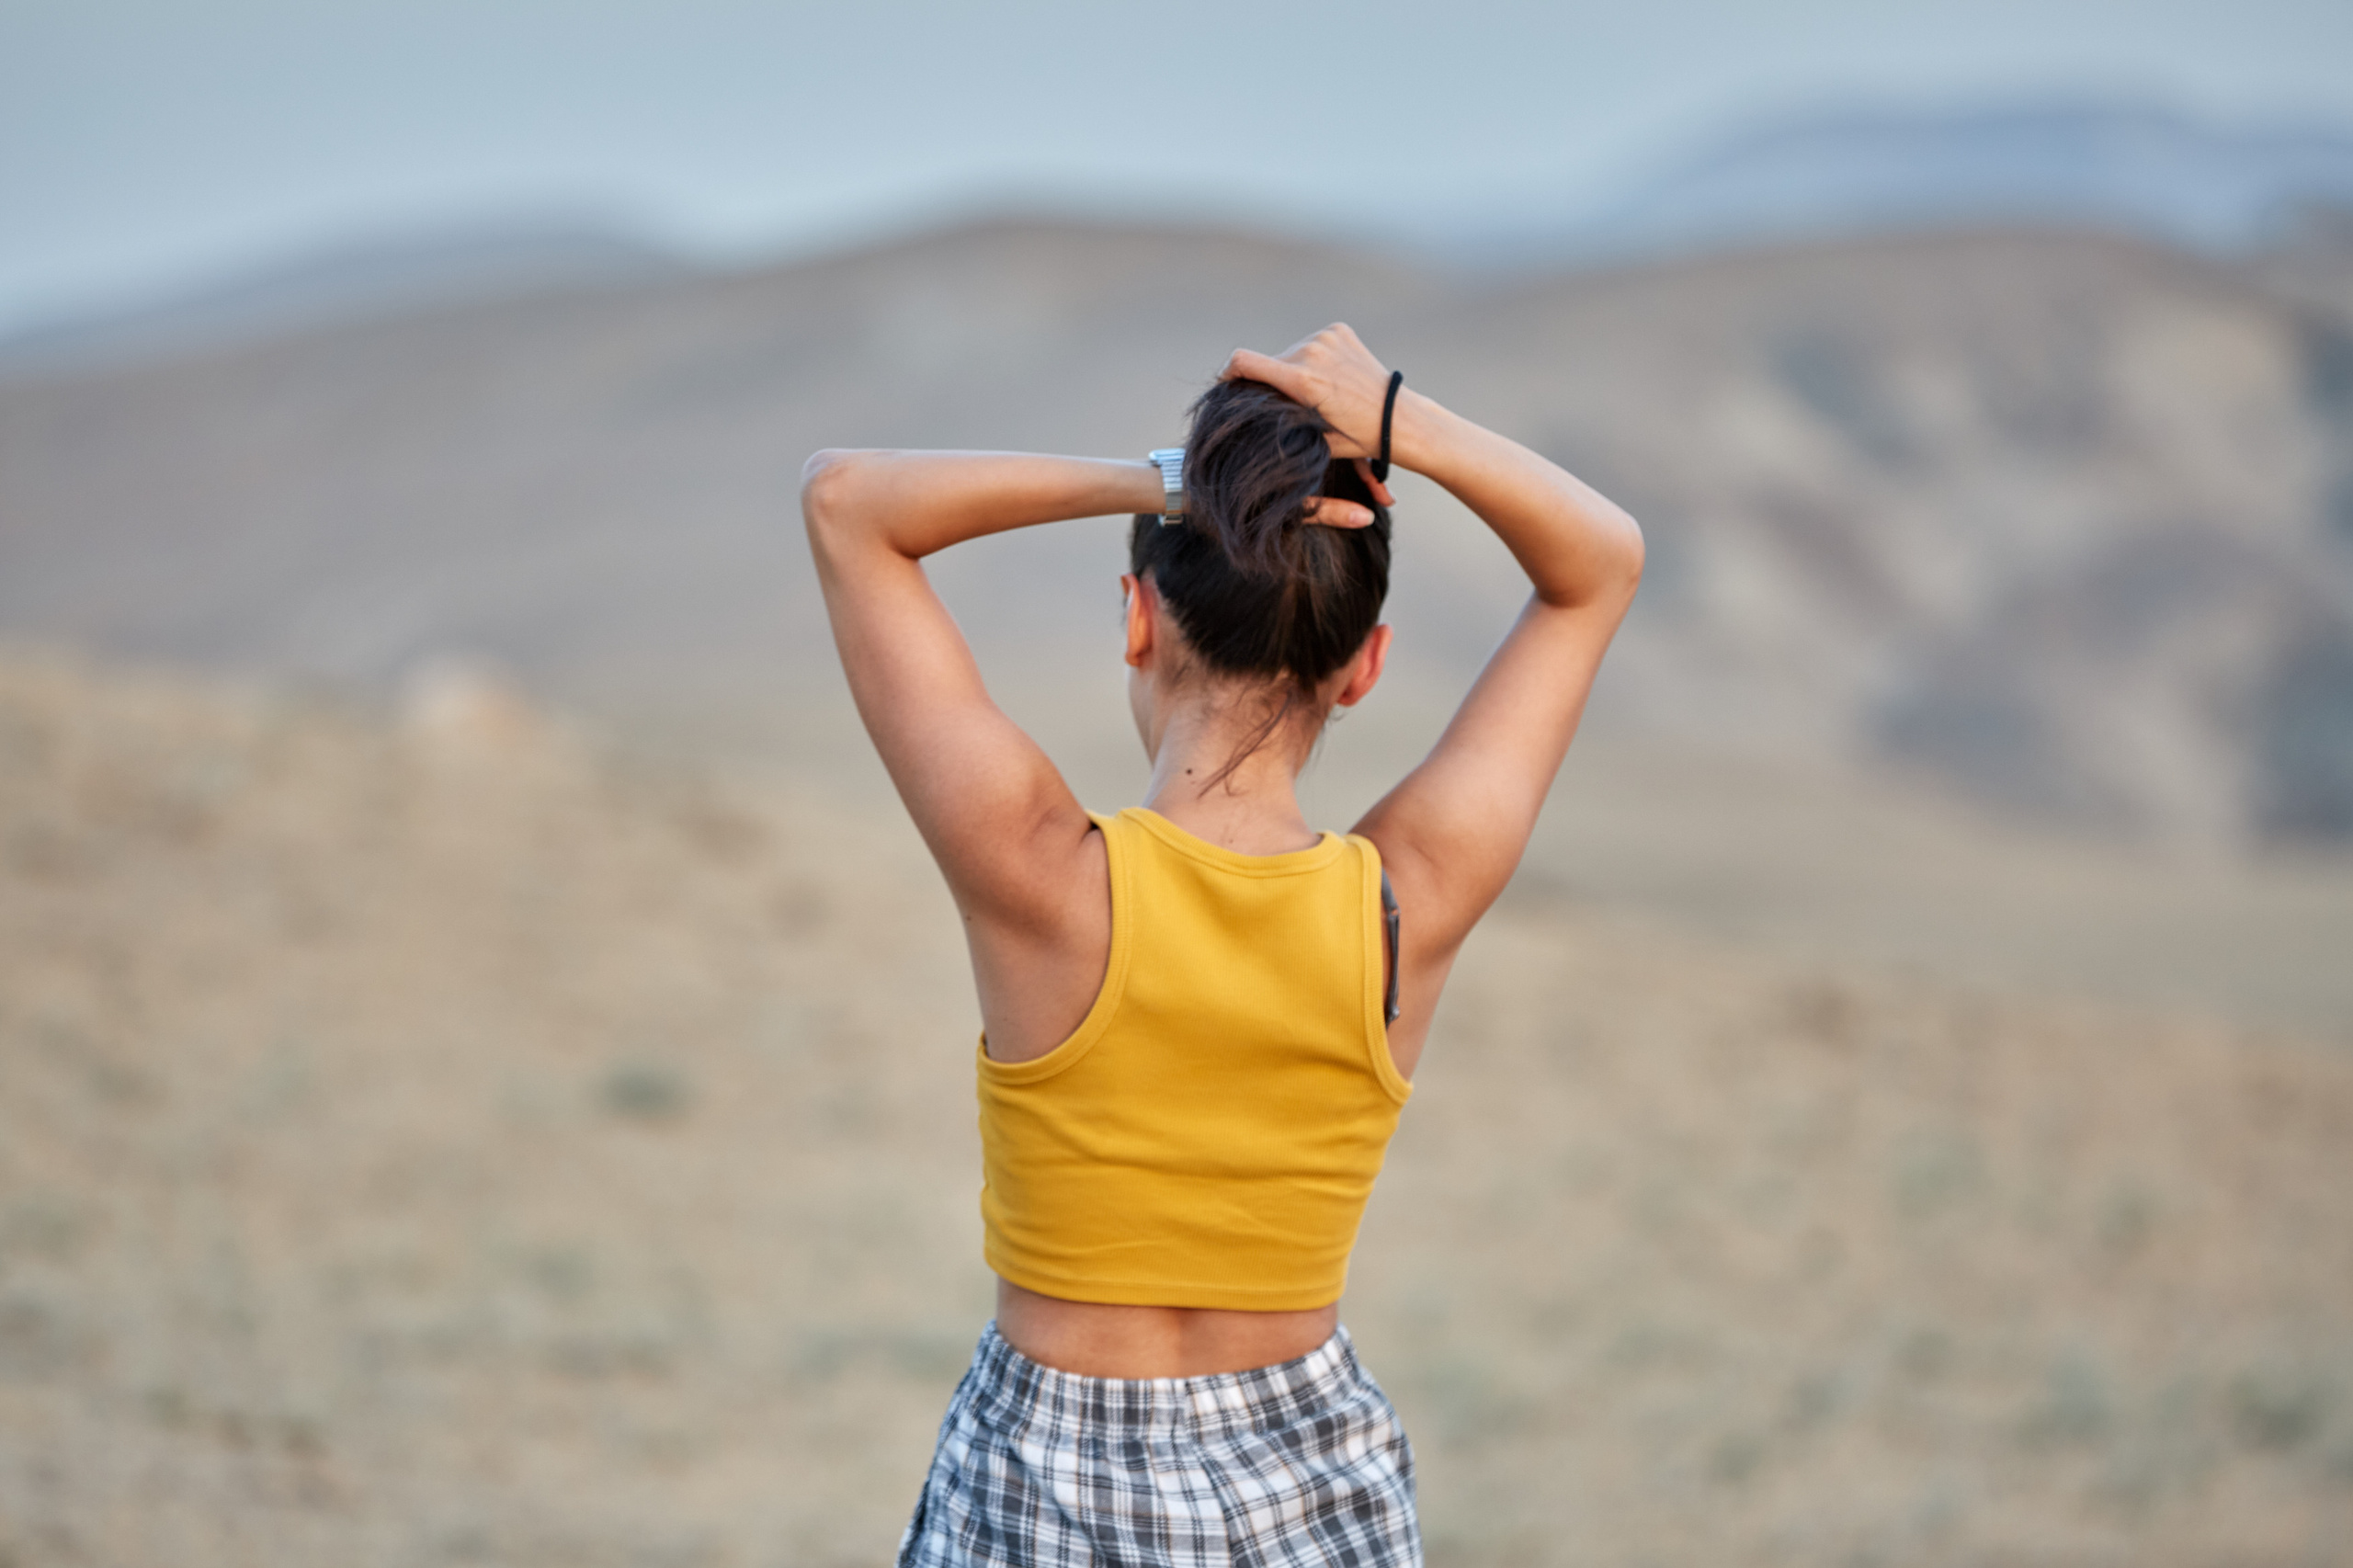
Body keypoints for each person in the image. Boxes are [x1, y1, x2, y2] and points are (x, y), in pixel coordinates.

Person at [801, 324, 1643, 1566]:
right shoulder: (1407, 901)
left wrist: (1165, 483)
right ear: (1363, 669)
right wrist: (1403, 419)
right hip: (1313, 1476)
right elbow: (1600, 564)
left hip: (1047, 1483)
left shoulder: (1043, 874)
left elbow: (845, 505)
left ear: (1137, 618)